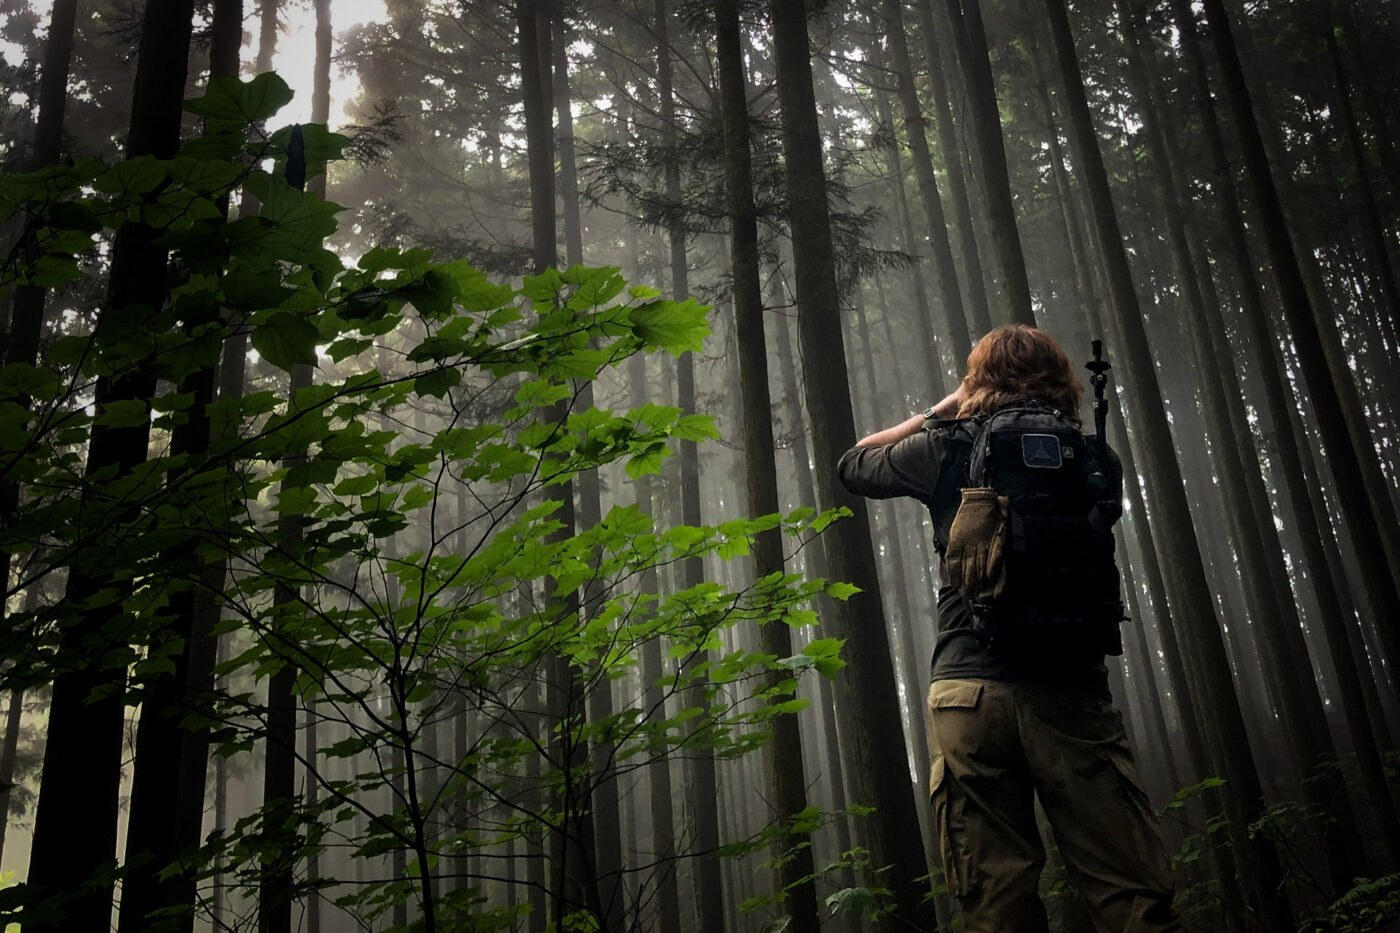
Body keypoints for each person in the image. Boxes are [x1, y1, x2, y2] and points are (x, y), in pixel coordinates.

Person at [837, 325, 1180, 933]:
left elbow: (855, 463)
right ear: (1062, 382)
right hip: (1071, 693)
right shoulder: (1097, 460)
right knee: (1131, 893)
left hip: (968, 694)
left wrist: (939, 411)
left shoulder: (947, 449)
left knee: (994, 902)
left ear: (977, 382)